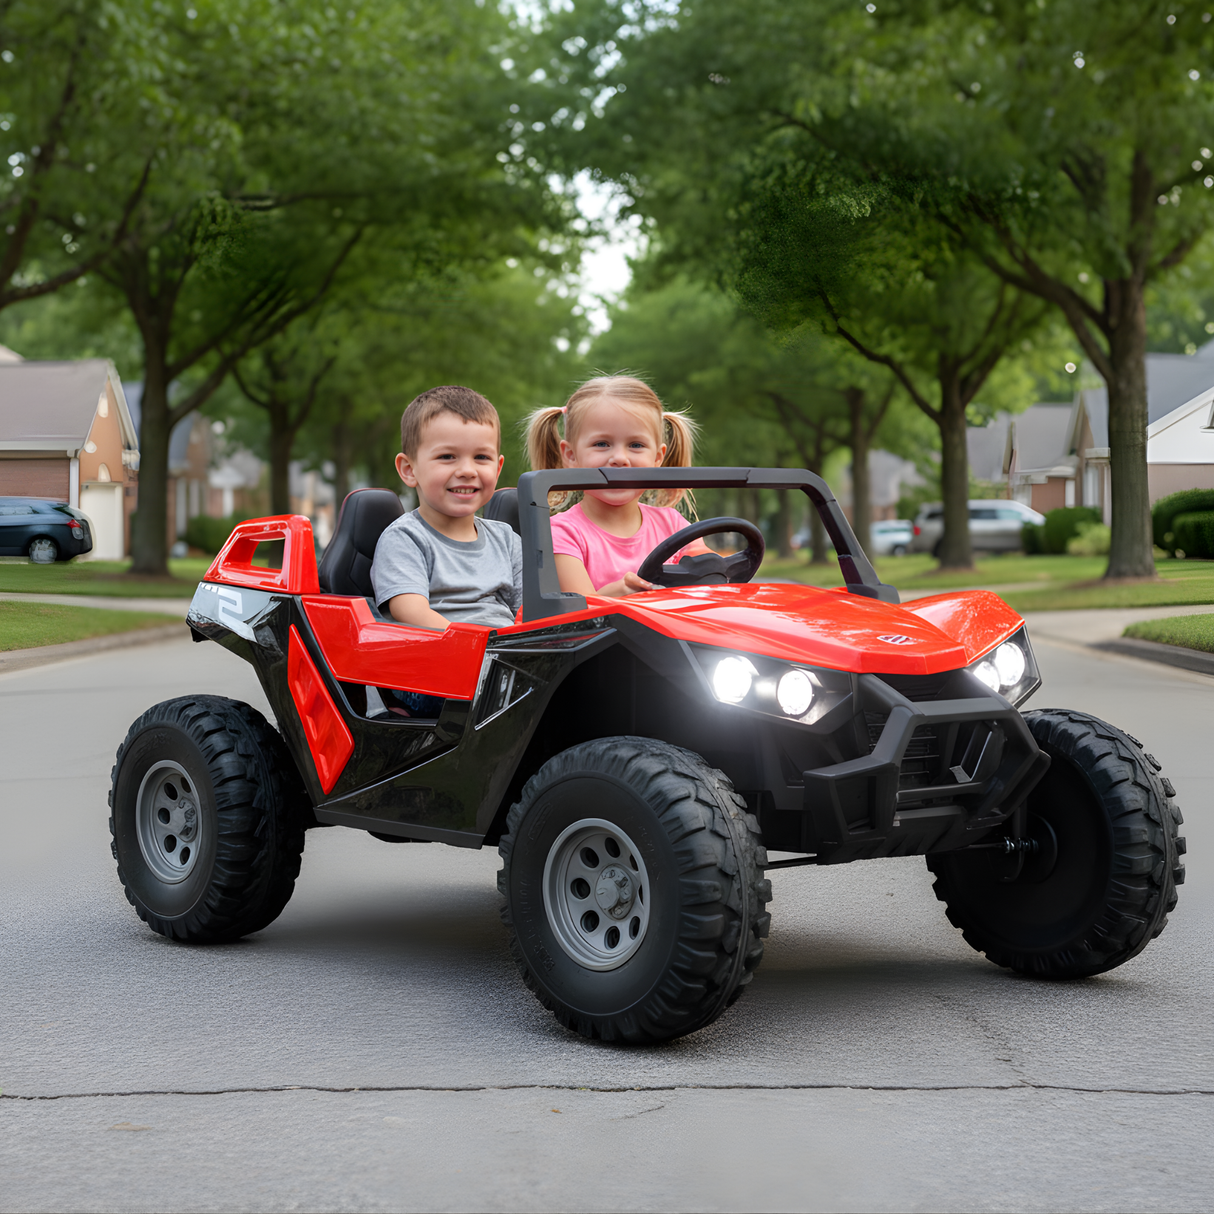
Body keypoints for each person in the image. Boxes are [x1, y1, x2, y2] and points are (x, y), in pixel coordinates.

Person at [370, 385, 522, 716]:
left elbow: (531, 610)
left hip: (504, 661)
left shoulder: (507, 539)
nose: (467, 469)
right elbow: (411, 612)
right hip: (430, 668)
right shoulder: (405, 538)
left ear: (497, 468)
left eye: (481, 457)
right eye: (447, 457)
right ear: (409, 470)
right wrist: (481, 645)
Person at [524, 375, 710, 597]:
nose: (620, 458)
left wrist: (709, 566)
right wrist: (616, 595)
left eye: (636, 445)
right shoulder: (561, 533)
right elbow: (578, 617)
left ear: (657, 458)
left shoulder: (674, 525)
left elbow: (708, 575)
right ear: (571, 456)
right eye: (602, 444)